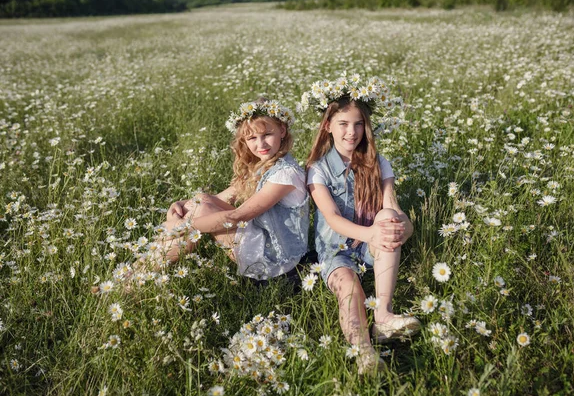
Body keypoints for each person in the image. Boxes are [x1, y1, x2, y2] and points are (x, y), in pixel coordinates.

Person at [301, 74, 420, 375]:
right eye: (343, 124)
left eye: (357, 124)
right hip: (336, 250)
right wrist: (371, 233)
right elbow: (332, 218)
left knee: (389, 217)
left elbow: (391, 203)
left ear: (366, 127)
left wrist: (404, 225)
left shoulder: (378, 163)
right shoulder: (318, 170)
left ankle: (383, 316)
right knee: (349, 287)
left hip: (372, 243)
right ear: (328, 126)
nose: (351, 132)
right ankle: (363, 350)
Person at [143, 99, 309, 281]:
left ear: (282, 131)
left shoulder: (286, 174)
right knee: (200, 200)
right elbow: (217, 198)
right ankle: (142, 269)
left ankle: (141, 274)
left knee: (200, 210)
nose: (261, 144)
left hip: (276, 260)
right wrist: (180, 204)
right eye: (252, 138)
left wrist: (180, 226)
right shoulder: (263, 165)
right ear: (244, 140)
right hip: (261, 239)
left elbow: (237, 217)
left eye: (267, 134)